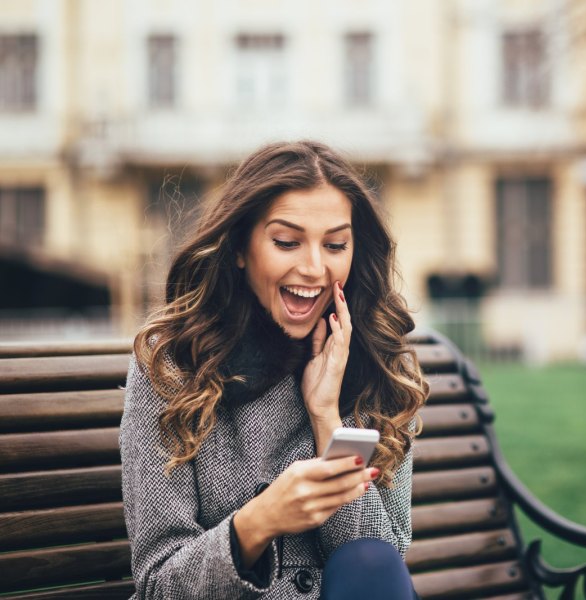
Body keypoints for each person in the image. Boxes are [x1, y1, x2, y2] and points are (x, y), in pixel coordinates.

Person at [120, 140, 428, 599]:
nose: (314, 267)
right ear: (242, 248)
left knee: (371, 560)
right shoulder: (173, 366)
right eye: (286, 242)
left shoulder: (371, 362)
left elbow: (380, 568)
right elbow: (157, 584)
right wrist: (259, 521)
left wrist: (326, 416)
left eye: (335, 244)